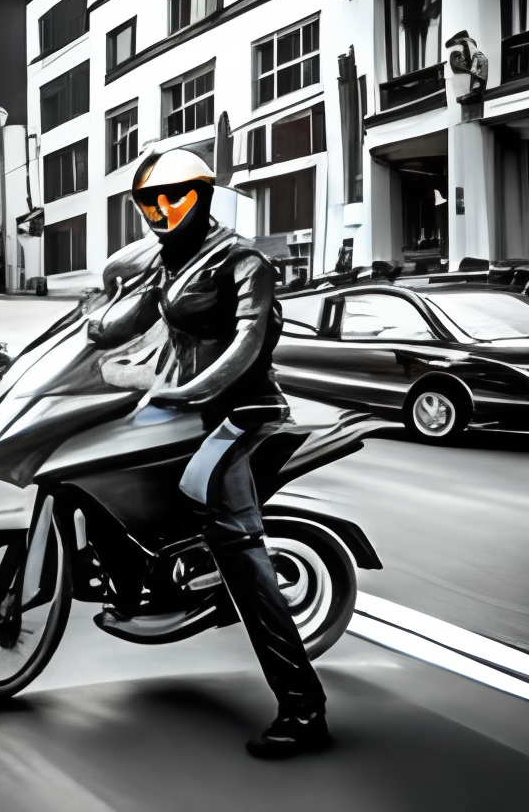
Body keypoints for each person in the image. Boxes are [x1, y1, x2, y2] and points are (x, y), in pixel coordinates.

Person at [128, 147, 330, 759]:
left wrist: (189, 390)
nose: (161, 209)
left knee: (233, 540)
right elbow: (120, 320)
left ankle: (303, 708)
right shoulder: (171, 262)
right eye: (148, 201)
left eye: (174, 196)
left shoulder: (244, 260)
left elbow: (246, 345)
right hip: (189, 410)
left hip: (242, 414)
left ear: (203, 193)